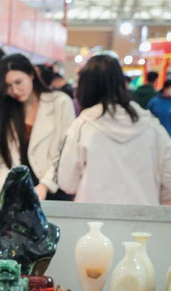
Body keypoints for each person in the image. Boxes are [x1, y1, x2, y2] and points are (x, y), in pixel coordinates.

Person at [57, 55, 171, 205]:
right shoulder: (152, 126)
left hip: (92, 219)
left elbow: (67, 182)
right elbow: (168, 180)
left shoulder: (83, 126)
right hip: (142, 219)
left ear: (85, 87)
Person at [0, 53, 75, 199]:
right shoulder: (5, 111)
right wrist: (9, 188)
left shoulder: (60, 103)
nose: (15, 91)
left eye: (18, 82)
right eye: (8, 86)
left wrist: (45, 185)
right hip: (18, 195)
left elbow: (67, 151)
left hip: (54, 191)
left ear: (32, 74)